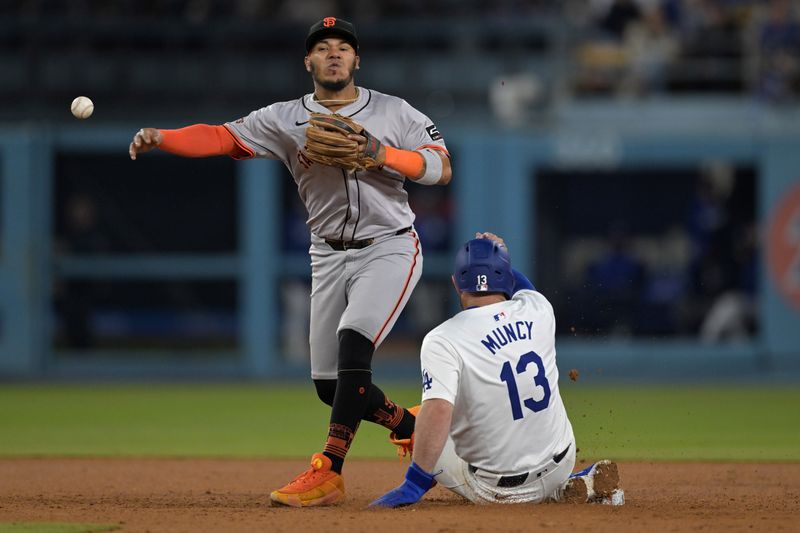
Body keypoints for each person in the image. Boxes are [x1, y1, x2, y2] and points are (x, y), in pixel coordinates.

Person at [128, 16, 452, 507]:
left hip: (389, 245)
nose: (334, 53)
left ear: (357, 59)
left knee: (352, 348)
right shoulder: (283, 118)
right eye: (323, 47)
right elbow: (220, 137)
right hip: (326, 253)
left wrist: (383, 153)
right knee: (330, 385)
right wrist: (163, 137)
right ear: (309, 61)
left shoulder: (393, 111)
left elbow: (441, 167)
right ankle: (408, 424)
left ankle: (328, 470)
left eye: (343, 46)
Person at [371, 233, 620, 508]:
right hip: (561, 462)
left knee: (425, 420)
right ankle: (563, 489)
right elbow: (522, 286)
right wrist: (500, 256)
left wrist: (413, 484)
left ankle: (546, 492)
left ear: (455, 283)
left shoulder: (442, 339)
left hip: (497, 491)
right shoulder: (539, 309)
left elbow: (439, 411)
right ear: (507, 278)